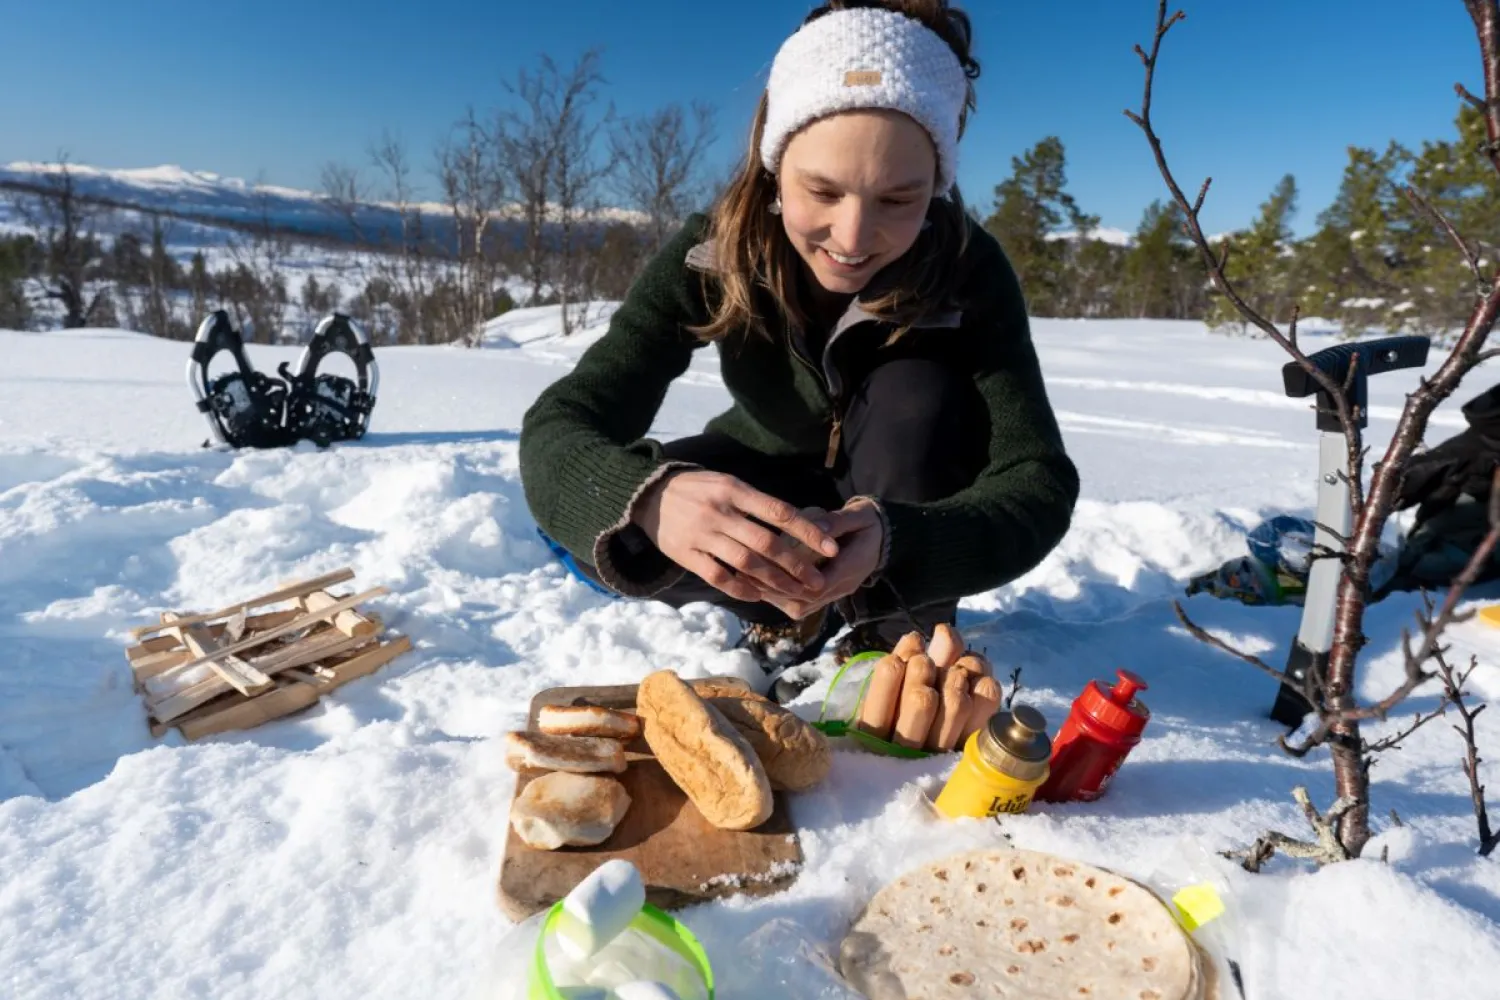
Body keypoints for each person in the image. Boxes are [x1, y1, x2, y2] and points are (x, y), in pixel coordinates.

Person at [519, 0, 1079, 698]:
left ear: (936, 186)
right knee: (627, 524)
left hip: (905, 501)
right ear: (774, 164)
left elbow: (1038, 481)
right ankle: (783, 613)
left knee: (916, 397)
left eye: (899, 201)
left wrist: (903, 539)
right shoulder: (713, 252)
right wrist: (650, 499)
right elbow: (563, 423)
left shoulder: (968, 268)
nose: (852, 236)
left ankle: (885, 638)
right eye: (822, 190)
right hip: (771, 486)